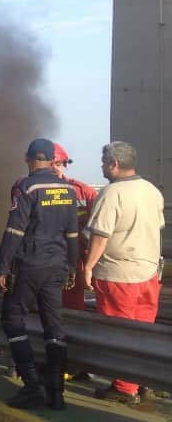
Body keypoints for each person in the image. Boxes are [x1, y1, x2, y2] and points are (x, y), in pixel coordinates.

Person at [0, 138, 79, 410]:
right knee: (54, 328)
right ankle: (56, 394)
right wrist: (72, 266)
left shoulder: (27, 186)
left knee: (12, 317)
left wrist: (3, 267)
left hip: (30, 264)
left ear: (28, 157)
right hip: (57, 265)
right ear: (52, 160)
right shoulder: (68, 189)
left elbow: (14, 231)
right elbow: (73, 233)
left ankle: (32, 386)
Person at [83, 141, 165, 405]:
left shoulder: (111, 193)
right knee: (143, 331)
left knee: (119, 332)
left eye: (104, 163)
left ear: (114, 164)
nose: (102, 167)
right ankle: (142, 382)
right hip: (150, 273)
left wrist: (87, 266)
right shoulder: (152, 190)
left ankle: (124, 388)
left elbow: (100, 235)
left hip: (119, 274)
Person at [51, 143, 99, 311]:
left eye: (57, 164)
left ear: (65, 165)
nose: (54, 169)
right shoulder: (30, 189)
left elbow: (97, 228)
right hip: (44, 258)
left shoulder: (84, 192)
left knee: (73, 305)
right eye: (50, 164)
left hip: (73, 258)